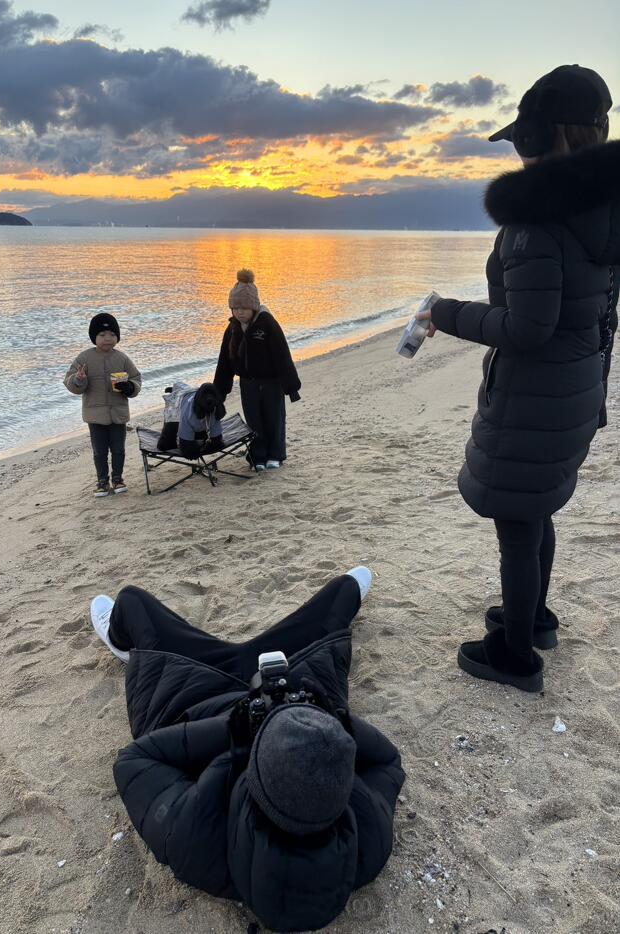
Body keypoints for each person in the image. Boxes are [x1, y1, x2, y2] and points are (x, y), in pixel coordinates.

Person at [418, 65, 618, 692]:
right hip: (576, 390)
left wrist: (443, 313)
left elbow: (528, 328)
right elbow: (600, 314)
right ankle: (535, 619)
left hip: (536, 398)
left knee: (517, 523)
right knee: (538, 509)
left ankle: (516, 655)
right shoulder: (603, 210)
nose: (518, 155)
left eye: (523, 141)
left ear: (544, 138)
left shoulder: (536, 222)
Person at [89, 567, 405, 933]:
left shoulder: (194, 839)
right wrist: (325, 722)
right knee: (341, 595)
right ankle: (345, 596)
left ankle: (120, 641)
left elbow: (135, 761)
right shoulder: (369, 840)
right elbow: (387, 761)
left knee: (132, 601)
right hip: (294, 680)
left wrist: (239, 731)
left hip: (191, 686)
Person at [214, 269, 301, 471]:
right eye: (235, 308)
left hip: (271, 382)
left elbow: (282, 355)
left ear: (253, 306)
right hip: (248, 383)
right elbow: (224, 362)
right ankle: (258, 457)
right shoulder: (233, 328)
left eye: (244, 308)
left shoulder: (267, 323)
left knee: (274, 419)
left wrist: (291, 387)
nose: (239, 312)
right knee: (254, 422)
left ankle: (275, 455)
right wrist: (219, 392)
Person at [64, 313, 142, 497]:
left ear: (117, 337)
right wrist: (79, 379)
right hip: (95, 415)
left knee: (118, 450)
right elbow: (70, 383)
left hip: (118, 414)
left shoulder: (122, 358)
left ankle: (118, 479)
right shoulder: (84, 358)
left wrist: (129, 387)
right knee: (99, 451)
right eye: (102, 334)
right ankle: (102, 481)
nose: (108, 338)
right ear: (94, 337)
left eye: (112, 334)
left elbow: (136, 378)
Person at [176, 383, 226, 459]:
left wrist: (215, 442)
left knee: (216, 443)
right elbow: (184, 433)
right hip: (183, 401)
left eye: (212, 394)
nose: (209, 398)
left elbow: (216, 431)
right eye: (205, 395)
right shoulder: (188, 414)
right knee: (173, 425)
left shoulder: (215, 409)